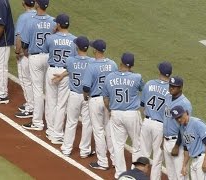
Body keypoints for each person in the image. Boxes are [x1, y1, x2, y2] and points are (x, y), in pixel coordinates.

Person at [102, 52, 144, 178]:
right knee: (137, 144)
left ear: (120, 63)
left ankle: (120, 173)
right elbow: (144, 91)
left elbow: (105, 99)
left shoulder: (109, 77)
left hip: (116, 114)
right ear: (132, 65)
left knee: (118, 145)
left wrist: (110, 110)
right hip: (132, 114)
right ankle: (135, 174)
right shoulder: (137, 77)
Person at [53, 36, 95, 157]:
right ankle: (84, 151)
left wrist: (62, 75)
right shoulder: (92, 62)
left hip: (74, 95)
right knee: (87, 123)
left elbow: (71, 70)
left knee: (71, 121)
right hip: (87, 96)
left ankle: (66, 149)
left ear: (77, 47)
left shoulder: (70, 60)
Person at [82, 39, 117, 170]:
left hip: (96, 100)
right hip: (109, 100)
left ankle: (102, 162)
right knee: (110, 130)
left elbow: (86, 87)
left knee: (98, 131)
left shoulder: (92, 66)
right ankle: (115, 160)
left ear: (95, 50)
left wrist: (86, 97)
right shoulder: (113, 64)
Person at [20, 0, 56, 131]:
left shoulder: (30, 21)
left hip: (35, 56)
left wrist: (28, 54)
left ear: (37, 6)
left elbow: (24, 44)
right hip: (49, 58)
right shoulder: (53, 21)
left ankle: (37, 122)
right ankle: (52, 126)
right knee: (51, 92)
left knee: (38, 91)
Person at [42, 13, 77, 144]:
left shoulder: (51, 38)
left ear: (58, 24)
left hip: (52, 70)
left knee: (51, 101)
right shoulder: (74, 40)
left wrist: (53, 34)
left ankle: (50, 130)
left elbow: (46, 50)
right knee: (62, 104)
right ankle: (57, 134)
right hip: (65, 73)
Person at [138, 61, 172, 180]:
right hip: (161, 126)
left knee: (143, 154)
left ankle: (140, 177)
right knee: (157, 158)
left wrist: (146, 117)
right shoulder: (171, 91)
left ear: (160, 72)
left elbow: (142, 105)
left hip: (147, 122)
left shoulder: (149, 84)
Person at [170, 105, 206, 180]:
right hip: (194, 160)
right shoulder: (182, 128)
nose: (179, 120)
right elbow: (186, 149)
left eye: (180, 116)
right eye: (176, 118)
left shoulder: (196, 123)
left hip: (203, 157)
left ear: (186, 113)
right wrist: (184, 166)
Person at [163, 76, 192, 180]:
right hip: (166, 140)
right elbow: (166, 119)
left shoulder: (185, 103)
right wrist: (163, 138)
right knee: (171, 174)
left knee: (181, 175)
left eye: (174, 87)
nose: (171, 88)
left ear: (180, 88)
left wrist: (177, 145)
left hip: (177, 142)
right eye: (170, 85)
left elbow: (185, 126)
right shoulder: (167, 97)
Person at [14, 0, 36, 118]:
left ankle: (31, 107)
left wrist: (18, 51)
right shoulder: (40, 16)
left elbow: (19, 36)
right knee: (35, 83)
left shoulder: (23, 18)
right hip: (39, 55)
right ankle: (35, 105)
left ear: (24, 4)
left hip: (26, 54)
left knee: (25, 81)